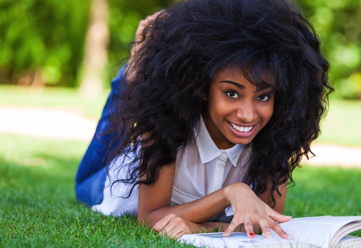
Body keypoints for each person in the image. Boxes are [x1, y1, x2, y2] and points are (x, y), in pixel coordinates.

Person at [75, 0, 332, 240]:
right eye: (232, 93)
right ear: (202, 89)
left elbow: (266, 223)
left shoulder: (276, 137)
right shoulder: (167, 126)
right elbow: (149, 219)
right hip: (108, 181)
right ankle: (130, 75)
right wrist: (230, 193)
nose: (248, 114)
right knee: (85, 179)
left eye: (263, 97)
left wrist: (198, 227)